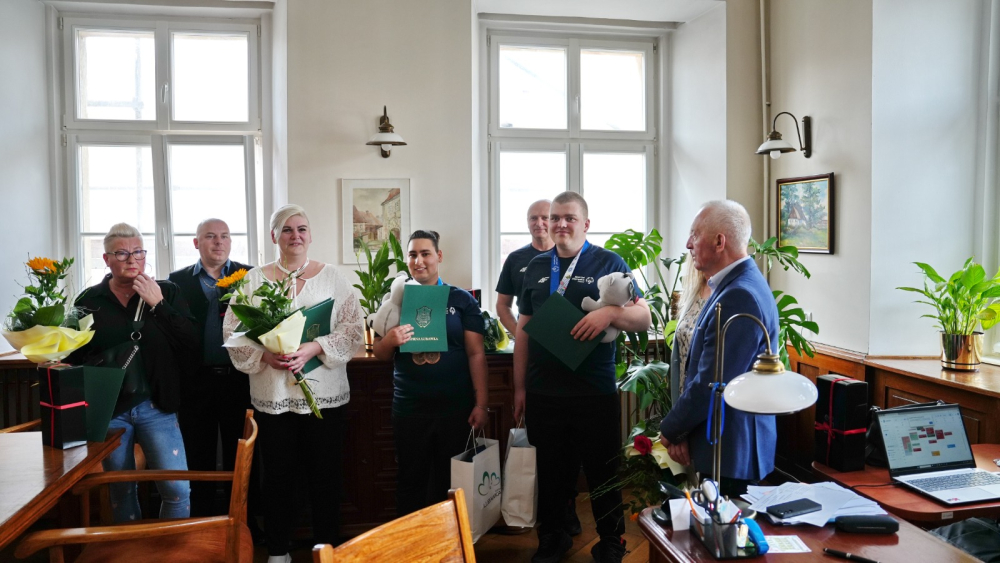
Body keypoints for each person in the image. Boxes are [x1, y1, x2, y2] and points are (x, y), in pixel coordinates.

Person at [513, 192, 652, 563]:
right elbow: (524, 329)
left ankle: (611, 541)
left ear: (585, 224)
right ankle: (553, 538)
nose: (560, 224)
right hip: (544, 390)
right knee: (551, 473)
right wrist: (519, 388)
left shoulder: (608, 262)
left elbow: (644, 317)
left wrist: (609, 314)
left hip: (594, 391)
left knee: (602, 471)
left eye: (569, 218)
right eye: (555, 217)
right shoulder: (536, 266)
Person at [222, 204, 364, 563]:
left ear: (310, 235)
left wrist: (316, 347)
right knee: (278, 475)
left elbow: (352, 329)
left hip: (324, 395)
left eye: (301, 229)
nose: (295, 236)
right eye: (287, 229)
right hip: (273, 395)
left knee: (325, 474)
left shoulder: (333, 278)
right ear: (274, 236)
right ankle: (279, 550)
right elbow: (232, 333)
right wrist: (265, 356)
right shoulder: (253, 280)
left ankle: (326, 548)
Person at [70, 222, 197, 522]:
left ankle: (170, 546)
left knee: (177, 489)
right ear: (106, 259)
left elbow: (190, 342)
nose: (132, 259)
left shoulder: (167, 291)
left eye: (138, 252)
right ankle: (129, 545)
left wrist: (158, 303)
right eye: (122, 253)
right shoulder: (89, 300)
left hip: (158, 405)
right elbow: (75, 353)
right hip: (111, 408)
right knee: (121, 490)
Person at [658, 200, 779, 498]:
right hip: (726, 443)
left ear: (719, 242)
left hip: (732, 449)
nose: (688, 244)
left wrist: (671, 429)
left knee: (725, 527)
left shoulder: (740, 294)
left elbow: (712, 383)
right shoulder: (735, 284)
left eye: (695, 235)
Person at [373, 229, 490, 517]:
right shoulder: (395, 300)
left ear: (438, 256)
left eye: (425, 253)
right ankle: (412, 542)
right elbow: (380, 353)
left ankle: (450, 541)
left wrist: (481, 404)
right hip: (410, 408)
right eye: (412, 254)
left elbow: (476, 354)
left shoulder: (461, 300)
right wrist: (390, 340)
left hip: (455, 408)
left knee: (450, 483)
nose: (419, 260)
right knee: (410, 481)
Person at [168, 219, 257, 521]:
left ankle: (243, 521)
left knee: (241, 453)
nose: (219, 242)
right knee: (198, 454)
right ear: (196, 243)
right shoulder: (176, 281)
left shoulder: (249, 276)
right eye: (210, 236)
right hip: (195, 382)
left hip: (239, 380)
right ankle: (201, 520)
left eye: (224, 236)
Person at [495, 199, 553, 334]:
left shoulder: (567, 255)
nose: (539, 223)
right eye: (533, 218)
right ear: (527, 222)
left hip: (567, 336)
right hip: (528, 336)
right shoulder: (515, 259)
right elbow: (502, 305)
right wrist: (519, 335)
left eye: (545, 218)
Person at [669, 259, 710, 406]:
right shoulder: (693, 291)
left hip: (707, 397)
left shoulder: (727, 293)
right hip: (685, 392)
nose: (690, 247)